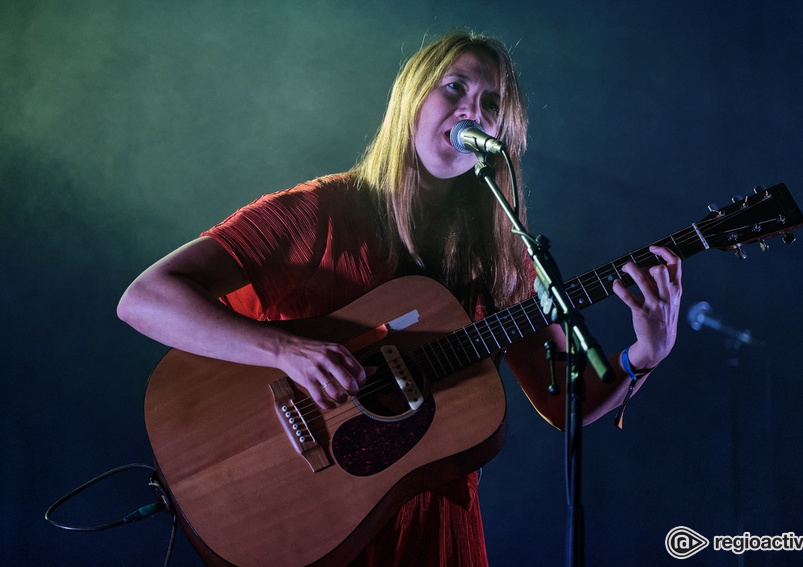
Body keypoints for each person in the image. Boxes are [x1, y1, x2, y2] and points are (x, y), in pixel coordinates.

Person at [117, 31, 682, 567]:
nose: (470, 111)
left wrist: (644, 356)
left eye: (491, 105)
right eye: (454, 87)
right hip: (315, 512)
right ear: (412, 98)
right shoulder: (318, 213)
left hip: (435, 535)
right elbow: (146, 298)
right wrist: (287, 351)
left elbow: (568, 403)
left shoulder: (505, 258)